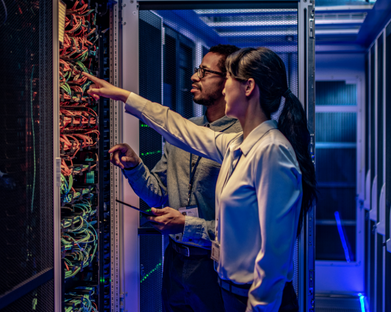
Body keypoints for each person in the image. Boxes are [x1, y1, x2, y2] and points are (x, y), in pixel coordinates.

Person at [84, 46, 317, 312]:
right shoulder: (236, 144)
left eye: (228, 78)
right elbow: (179, 128)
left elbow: (275, 255)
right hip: (229, 290)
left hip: (254, 299)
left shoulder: (272, 151)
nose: (225, 87)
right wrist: (125, 97)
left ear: (248, 86)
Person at [104, 44, 241, 312]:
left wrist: (187, 224)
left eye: (204, 71)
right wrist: (134, 166)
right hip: (176, 261)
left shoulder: (240, 140)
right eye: (196, 69)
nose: (194, 76)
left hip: (215, 265)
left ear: (228, 82)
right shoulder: (185, 132)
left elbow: (242, 228)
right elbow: (158, 193)